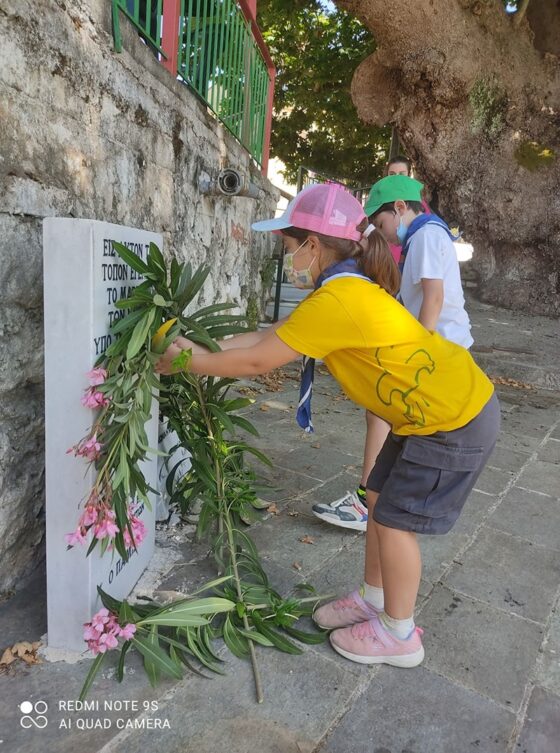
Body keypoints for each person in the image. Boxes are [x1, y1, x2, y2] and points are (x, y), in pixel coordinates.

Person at [155, 183, 500, 667]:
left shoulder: (339, 299)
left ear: (312, 245)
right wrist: (192, 346)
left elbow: (257, 362)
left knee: (397, 519)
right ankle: (375, 599)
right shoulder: (343, 288)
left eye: (289, 246)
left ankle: (401, 635)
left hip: (452, 418)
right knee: (377, 499)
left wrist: (184, 363)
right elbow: (264, 336)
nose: (288, 257)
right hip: (429, 411)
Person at [312, 174, 472, 532]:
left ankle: (370, 501)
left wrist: (420, 350)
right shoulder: (423, 235)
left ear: (400, 208)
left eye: (382, 223)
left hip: (436, 350)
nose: (383, 233)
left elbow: (433, 297)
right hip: (433, 348)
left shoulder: (428, 235)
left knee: (385, 415)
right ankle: (374, 498)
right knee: (383, 415)